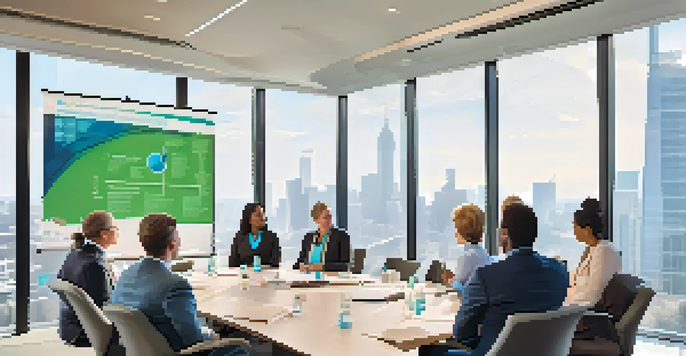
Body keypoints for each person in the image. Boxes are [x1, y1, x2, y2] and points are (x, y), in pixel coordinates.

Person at [420, 203, 568, 356]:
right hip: (541, 352)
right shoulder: (559, 271)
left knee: (428, 350)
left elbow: (461, 332)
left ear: (504, 234)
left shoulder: (485, 276)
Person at [111, 213, 246, 356]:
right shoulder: (175, 286)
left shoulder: (125, 275)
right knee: (240, 348)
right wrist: (212, 336)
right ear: (172, 245)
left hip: (138, 351)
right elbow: (194, 340)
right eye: (178, 237)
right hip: (176, 351)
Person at [57, 211, 119, 347]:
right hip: (87, 331)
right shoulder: (95, 264)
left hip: (71, 328)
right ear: (104, 233)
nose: (118, 230)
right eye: (115, 227)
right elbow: (105, 306)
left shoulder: (74, 255)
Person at [566, 198, 622, 306]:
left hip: (587, 313)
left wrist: (565, 305)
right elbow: (576, 278)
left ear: (587, 229)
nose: (574, 232)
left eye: (575, 227)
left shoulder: (604, 251)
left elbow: (593, 295)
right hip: (578, 308)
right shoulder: (592, 250)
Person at [443, 204, 489, 293]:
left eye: (456, 229)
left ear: (462, 231)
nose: (455, 234)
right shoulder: (483, 254)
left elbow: (459, 289)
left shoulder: (468, 257)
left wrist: (450, 281)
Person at [294, 202, 351, 272]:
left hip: (331, 279)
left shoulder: (341, 236)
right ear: (316, 220)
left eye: (329, 217)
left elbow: (345, 265)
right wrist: (301, 266)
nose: (328, 220)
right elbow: (299, 262)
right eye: (325, 218)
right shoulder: (308, 237)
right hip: (308, 278)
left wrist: (322, 267)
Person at [229, 203, 281, 268]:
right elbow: (233, 264)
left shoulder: (272, 238)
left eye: (263, 215)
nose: (263, 218)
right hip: (244, 276)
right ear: (249, 219)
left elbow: (275, 264)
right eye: (258, 215)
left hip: (266, 275)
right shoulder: (239, 238)